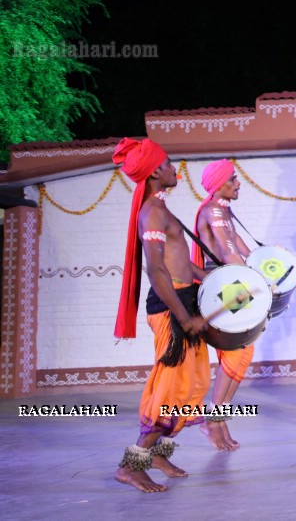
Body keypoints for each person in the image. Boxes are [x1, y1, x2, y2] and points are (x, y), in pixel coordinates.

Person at [112, 137, 210, 493]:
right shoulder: (152, 213)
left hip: (185, 302)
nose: (173, 167)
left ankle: (159, 454)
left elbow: (181, 266)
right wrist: (184, 318)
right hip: (173, 311)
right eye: (167, 163)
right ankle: (131, 465)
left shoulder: (163, 210)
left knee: (191, 387)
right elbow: (156, 270)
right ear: (154, 170)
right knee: (170, 392)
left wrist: (214, 278)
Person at [191, 159, 251, 450]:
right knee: (236, 353)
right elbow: (227, 250)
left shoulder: (224, 210)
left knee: (243, 352)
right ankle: (212, 420)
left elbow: (237, 243)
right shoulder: (213, 210)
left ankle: (219, 417)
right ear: (220, 184)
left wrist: (260, 263)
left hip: (233, 282)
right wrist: (255, 279)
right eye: (233, 179)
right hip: (223, 283)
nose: (238, 184)